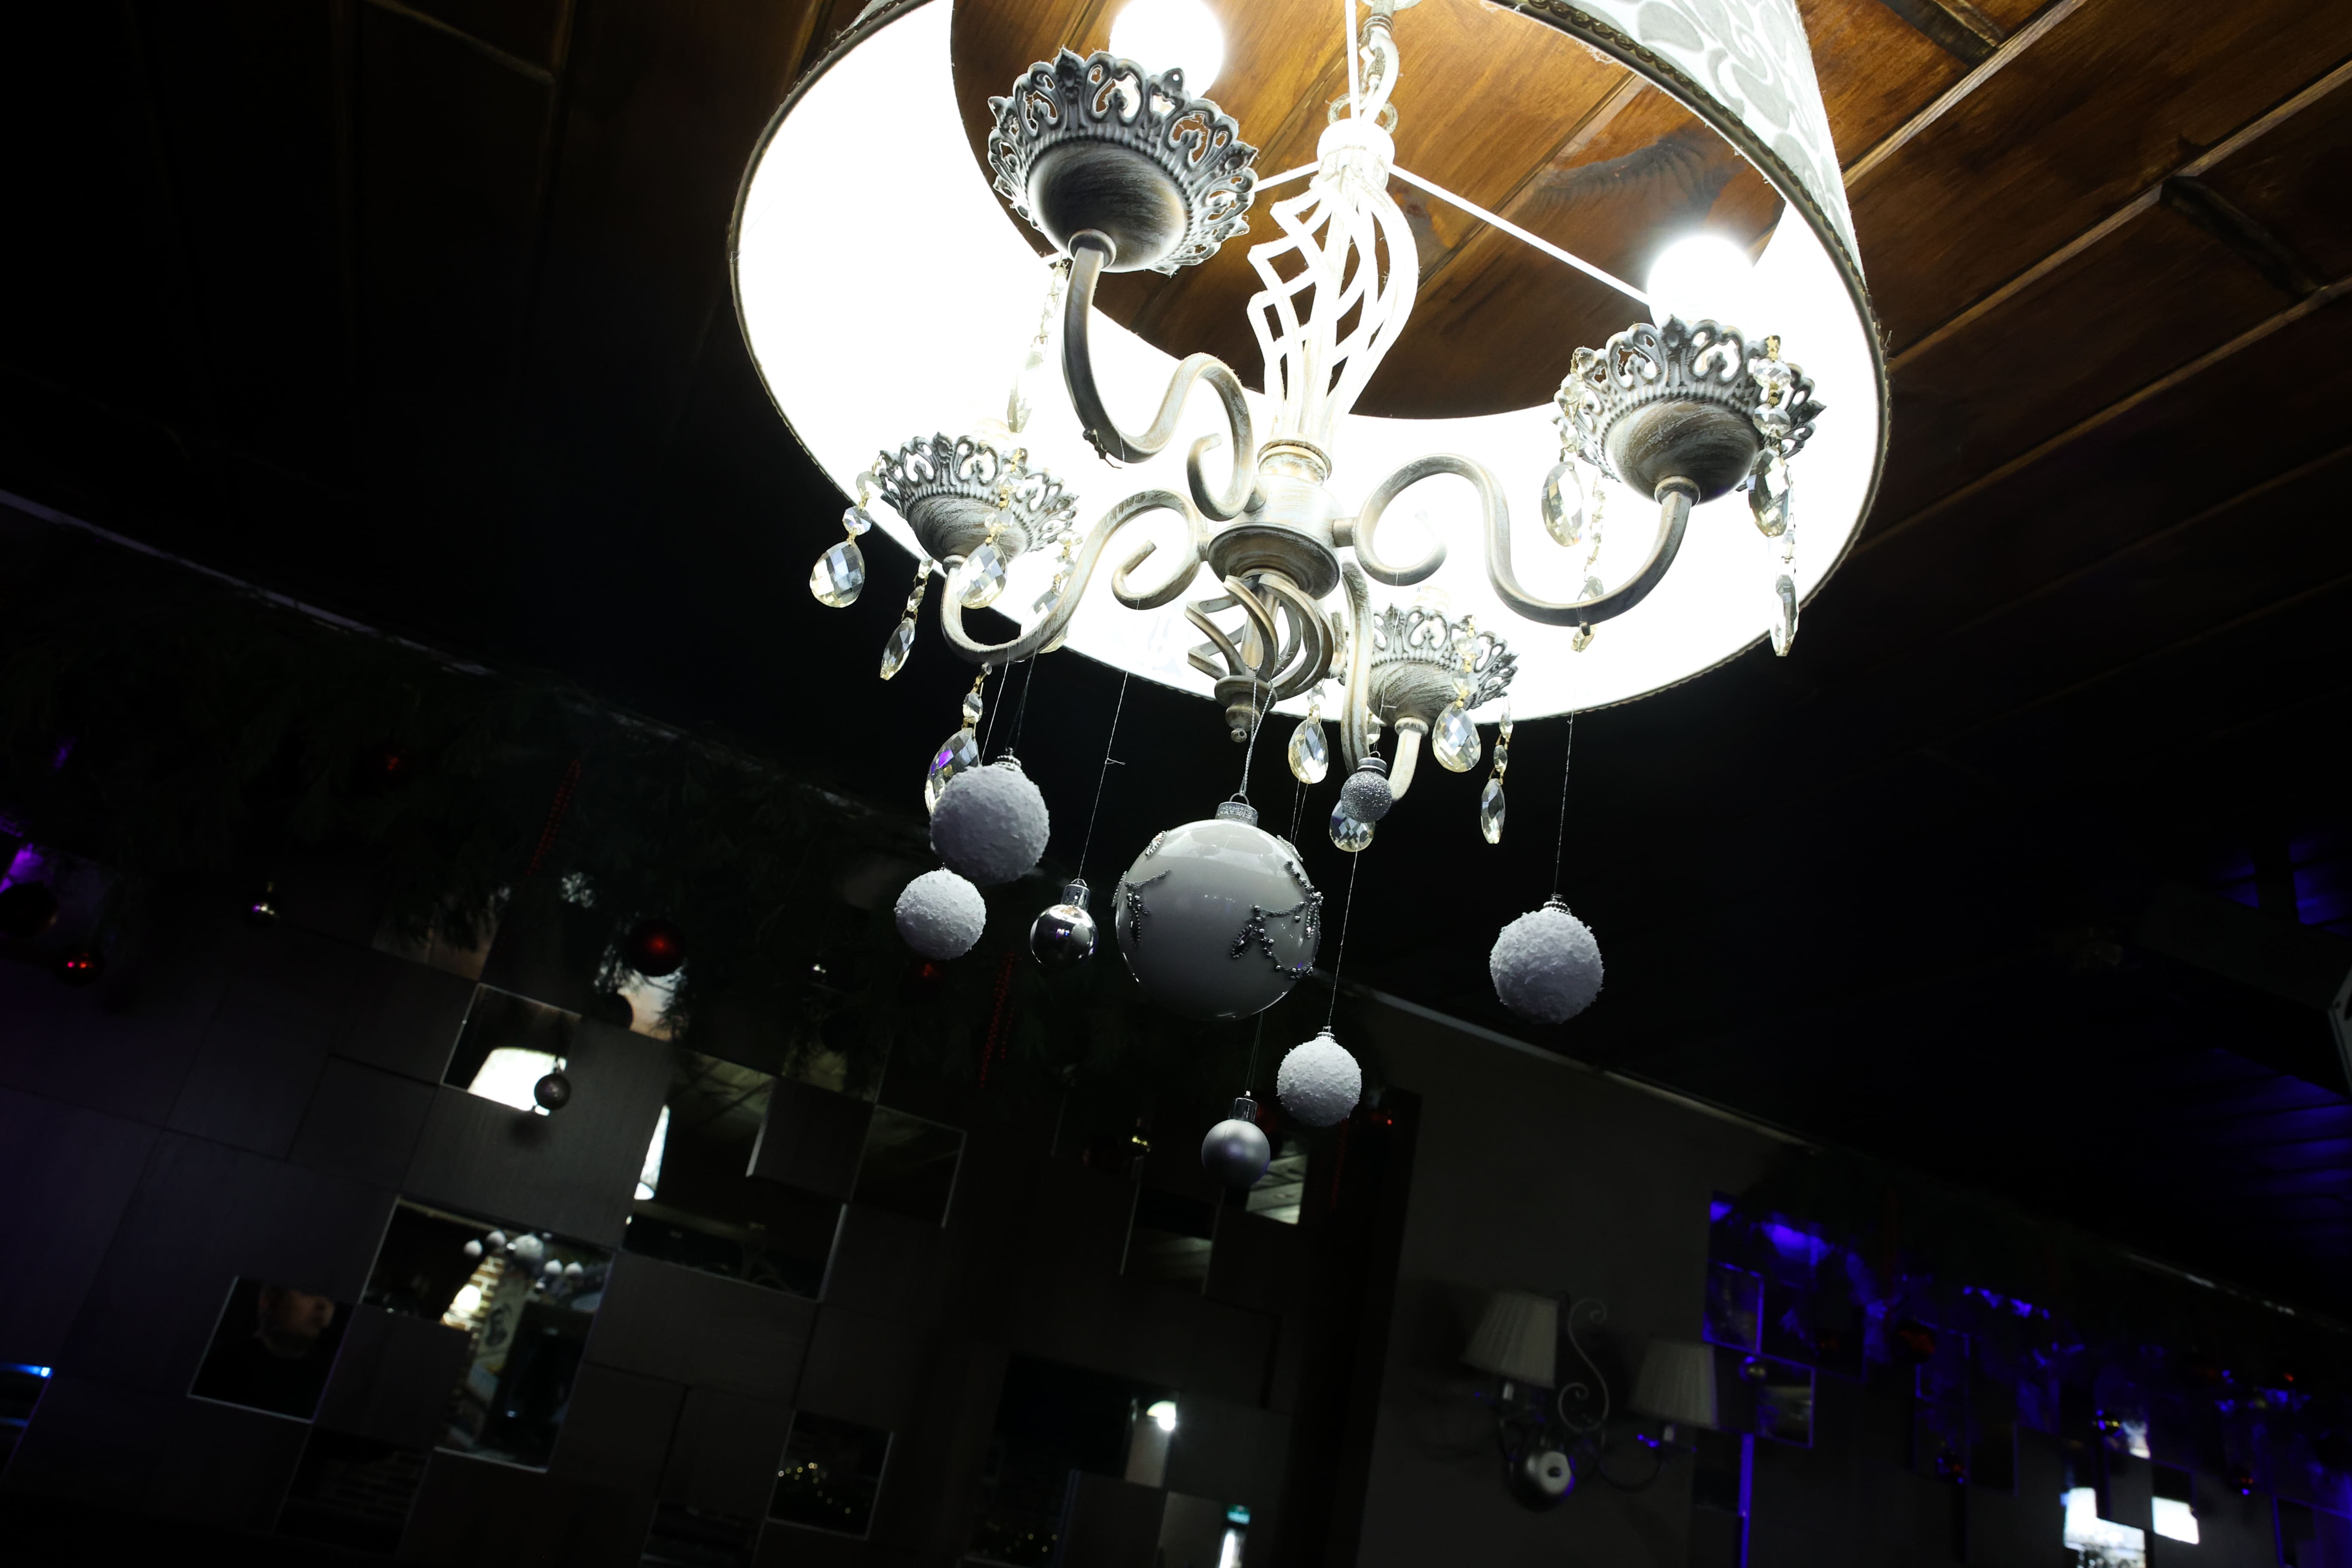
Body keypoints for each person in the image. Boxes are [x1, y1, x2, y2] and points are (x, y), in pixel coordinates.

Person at [190, 1279, 342, 1418]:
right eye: (308, 1292)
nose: (324, 1305)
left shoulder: (329, 1383)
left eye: (331, 1299)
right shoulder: (219, 1367)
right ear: (268, 1299)